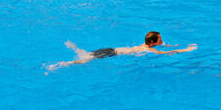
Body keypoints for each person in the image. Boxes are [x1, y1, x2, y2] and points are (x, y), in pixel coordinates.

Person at [45, 31, 196, 71]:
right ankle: (64, 64)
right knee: (85, 60)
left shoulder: (147, 45)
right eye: (160, 40)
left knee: (88, 54)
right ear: (152, 42)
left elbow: (165, 47)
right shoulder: (151, 50)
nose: (162, 42)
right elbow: (166, 53)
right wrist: (185, 50)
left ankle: (74, 47)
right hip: (111, 53)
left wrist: (172, 45)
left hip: (111, 49)